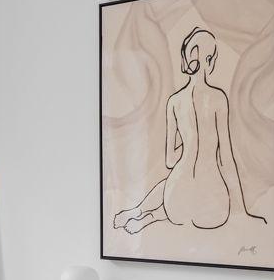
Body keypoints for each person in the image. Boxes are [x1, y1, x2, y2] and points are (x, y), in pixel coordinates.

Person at [113, 27, 266, 235]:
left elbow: (170, 161)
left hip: (175, 202)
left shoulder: (174, 101)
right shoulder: (218, 98)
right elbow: (226, 158)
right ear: (209, 60)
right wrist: (242, 210)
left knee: (173, 182)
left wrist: (189, 143)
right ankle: (147, 214)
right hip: (213, 211)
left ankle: (144, 212)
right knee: (192, 189)